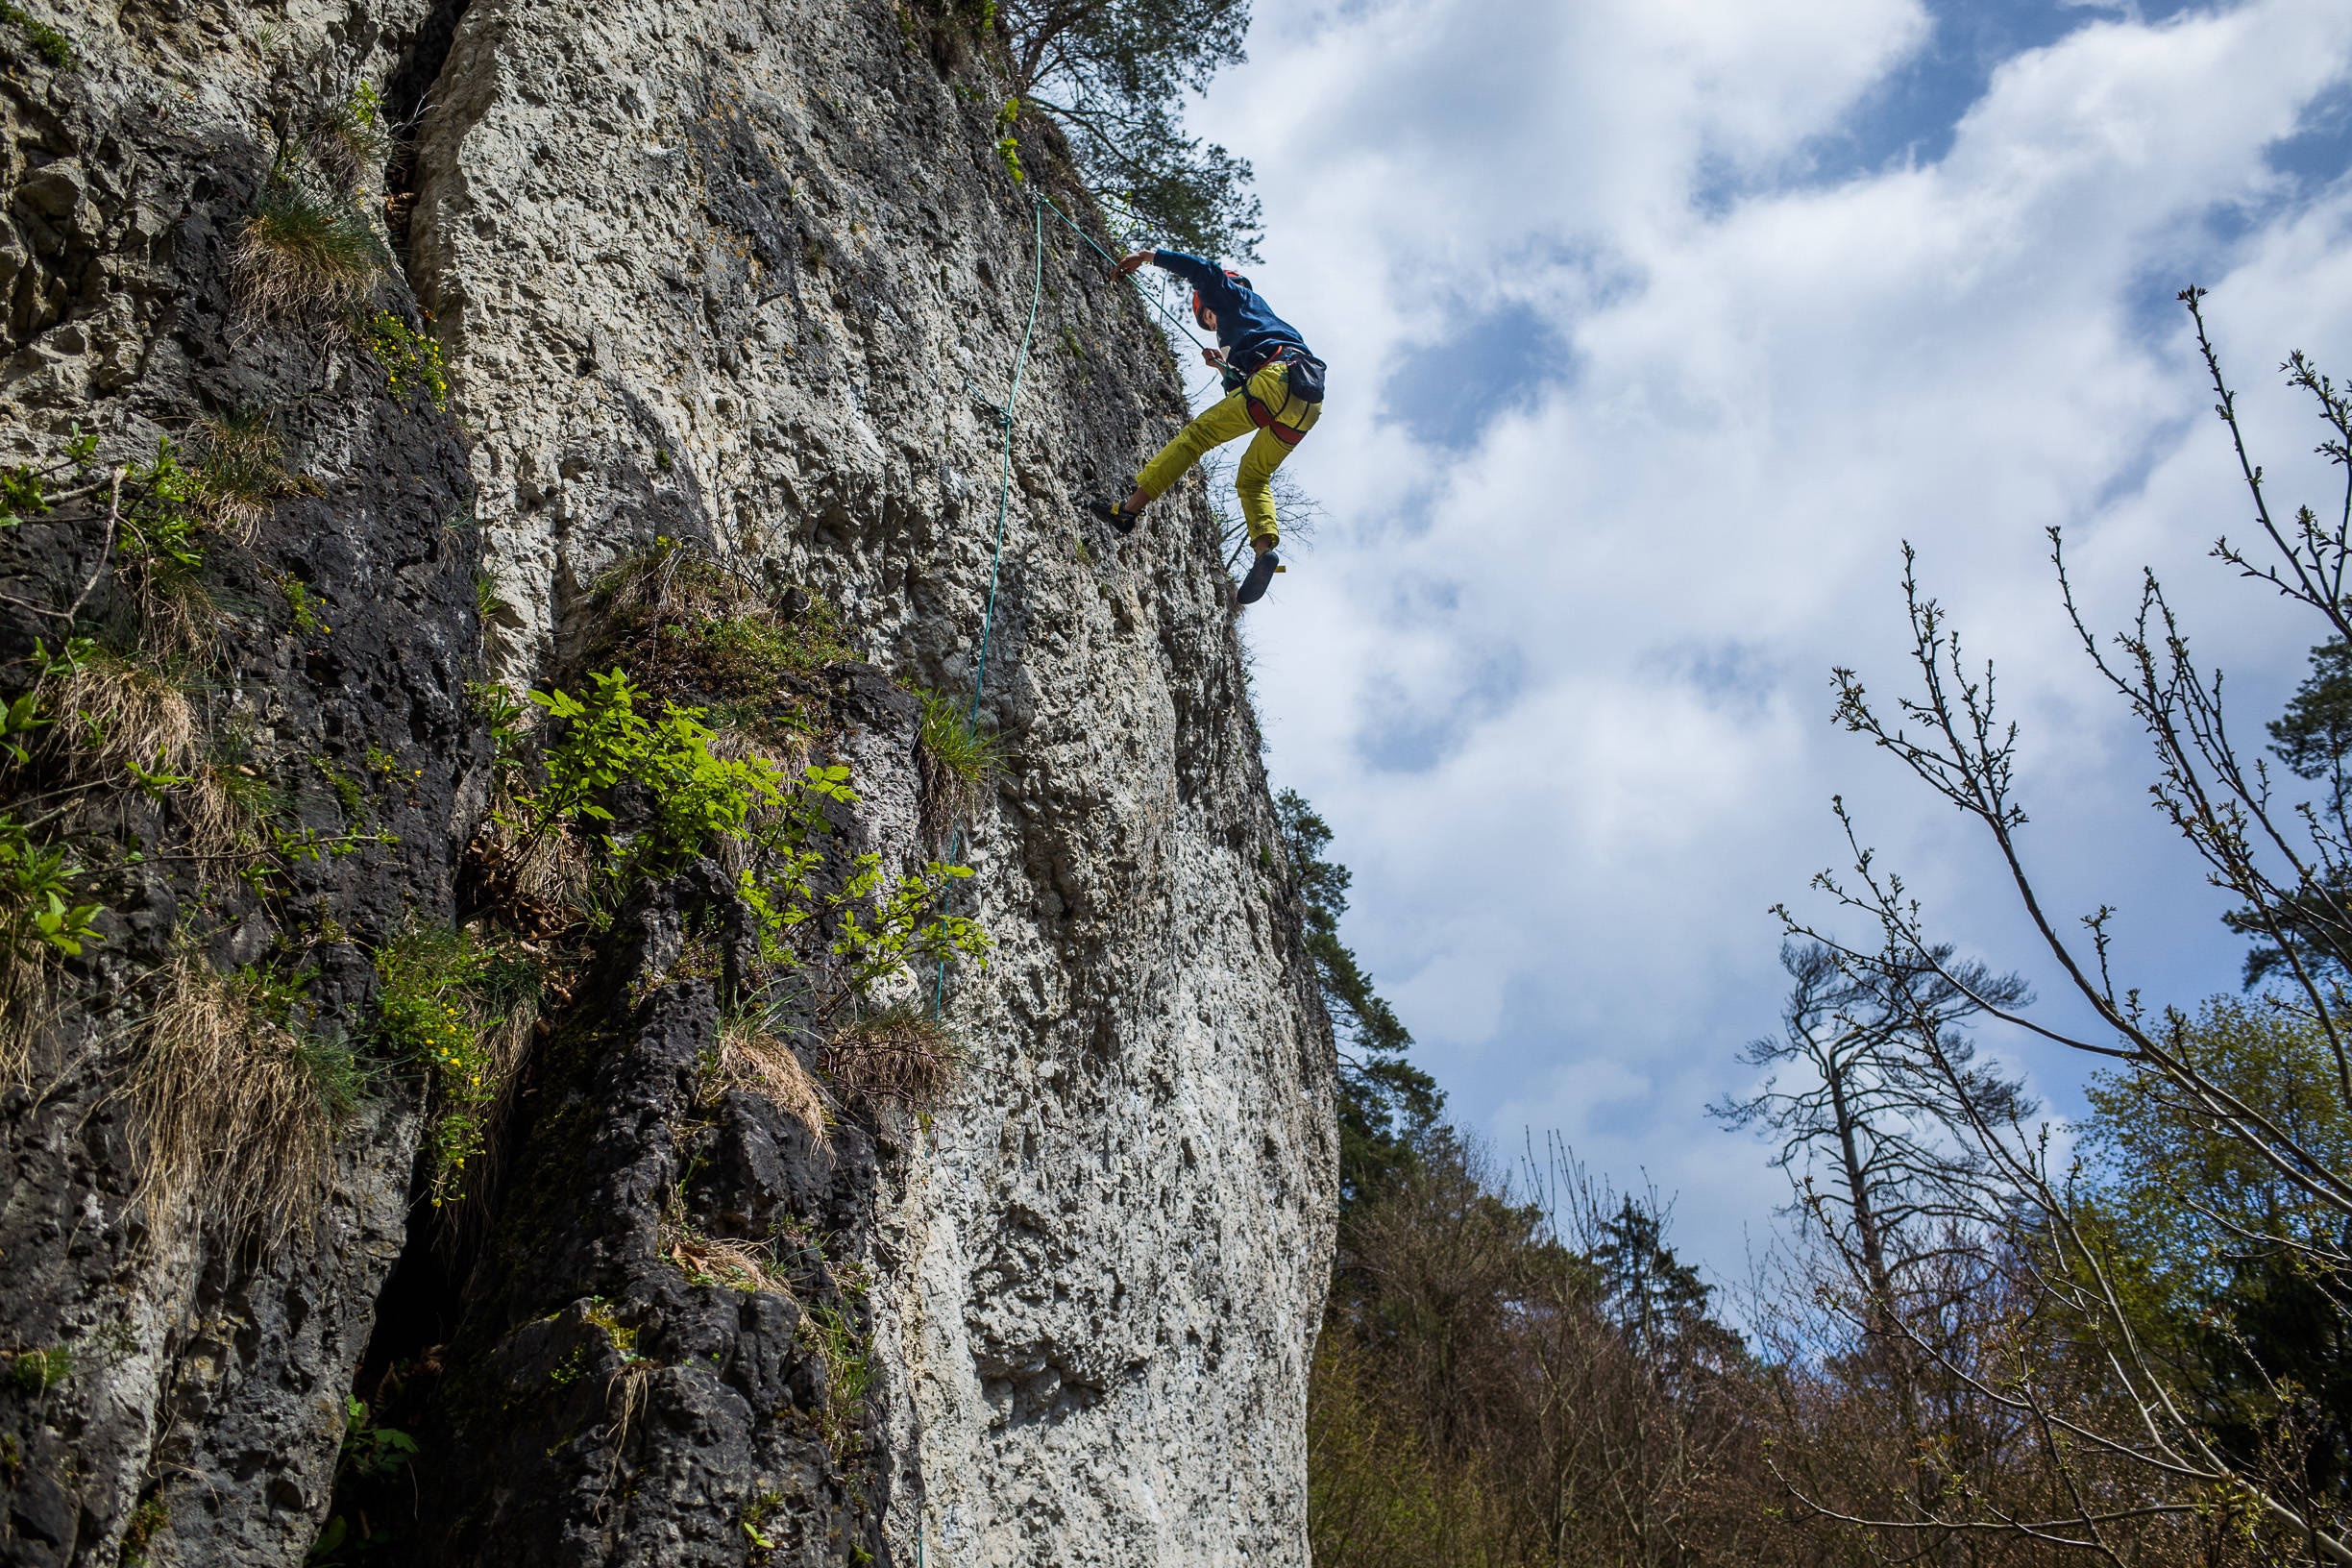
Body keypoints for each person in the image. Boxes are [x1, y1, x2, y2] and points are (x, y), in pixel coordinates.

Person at [1090, 249, 1326, 604]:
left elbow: (1204, 270)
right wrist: (1223, 369)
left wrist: (1147, 257)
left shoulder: (1235, 296)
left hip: (1275, 381)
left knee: (1195, 437)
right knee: (1252, 477)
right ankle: (1265, 553)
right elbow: (1242, 395)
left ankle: (1127, 511)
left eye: (1208, 315)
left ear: (1215, 298)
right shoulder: (1260, 323)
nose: (1212, 323)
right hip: (1307, 402)